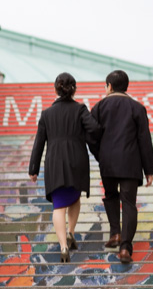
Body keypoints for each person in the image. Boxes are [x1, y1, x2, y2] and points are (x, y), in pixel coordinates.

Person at [28, 72, 101, 262]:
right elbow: (94, 128)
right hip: (77, 158)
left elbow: (39, 143)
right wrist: (81, 137)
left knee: (58, 205)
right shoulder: (80, 109)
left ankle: (62, 247)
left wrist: (33, 168)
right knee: (75, 197)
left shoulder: (46, 114)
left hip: (55, 162)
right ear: (74, 89)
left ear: (56, 89)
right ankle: (71, 233)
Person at [90, 70, 153, 264]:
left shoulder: (99, 107)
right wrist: (149, 170)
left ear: (109, 86)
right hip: (130, 163)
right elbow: (145, 140)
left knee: (111, 195)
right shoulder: (137, 108)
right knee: (128, 203)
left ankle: (115, 233)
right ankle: (126, 247)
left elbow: (90, 135)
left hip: (108, 163)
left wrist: (99, 154)